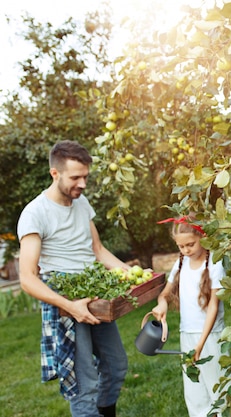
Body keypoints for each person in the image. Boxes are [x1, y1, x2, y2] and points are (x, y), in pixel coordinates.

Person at [18, 140, 130, 417]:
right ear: (55, 174)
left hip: (94, 292)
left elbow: (98, 250)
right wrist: (71, 306)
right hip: (65, 299)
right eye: (75, 177)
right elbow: (27, 278)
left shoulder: (82, 202)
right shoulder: (35, 213)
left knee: (116, 366)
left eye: (85, 177)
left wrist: (133, 274)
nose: (82, 184)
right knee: (84, 382)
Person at [151, 217, 231, 417]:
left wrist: (201, 344)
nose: (186, 250)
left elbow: (214, 306)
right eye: (181, 246)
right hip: (187, 335)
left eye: (190, 244)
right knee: (194, 388)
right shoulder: (181, 262)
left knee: (219, 383)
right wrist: (162, 304)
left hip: (211, 336)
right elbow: (165, 294)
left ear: (202, 237)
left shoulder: (214, 262)